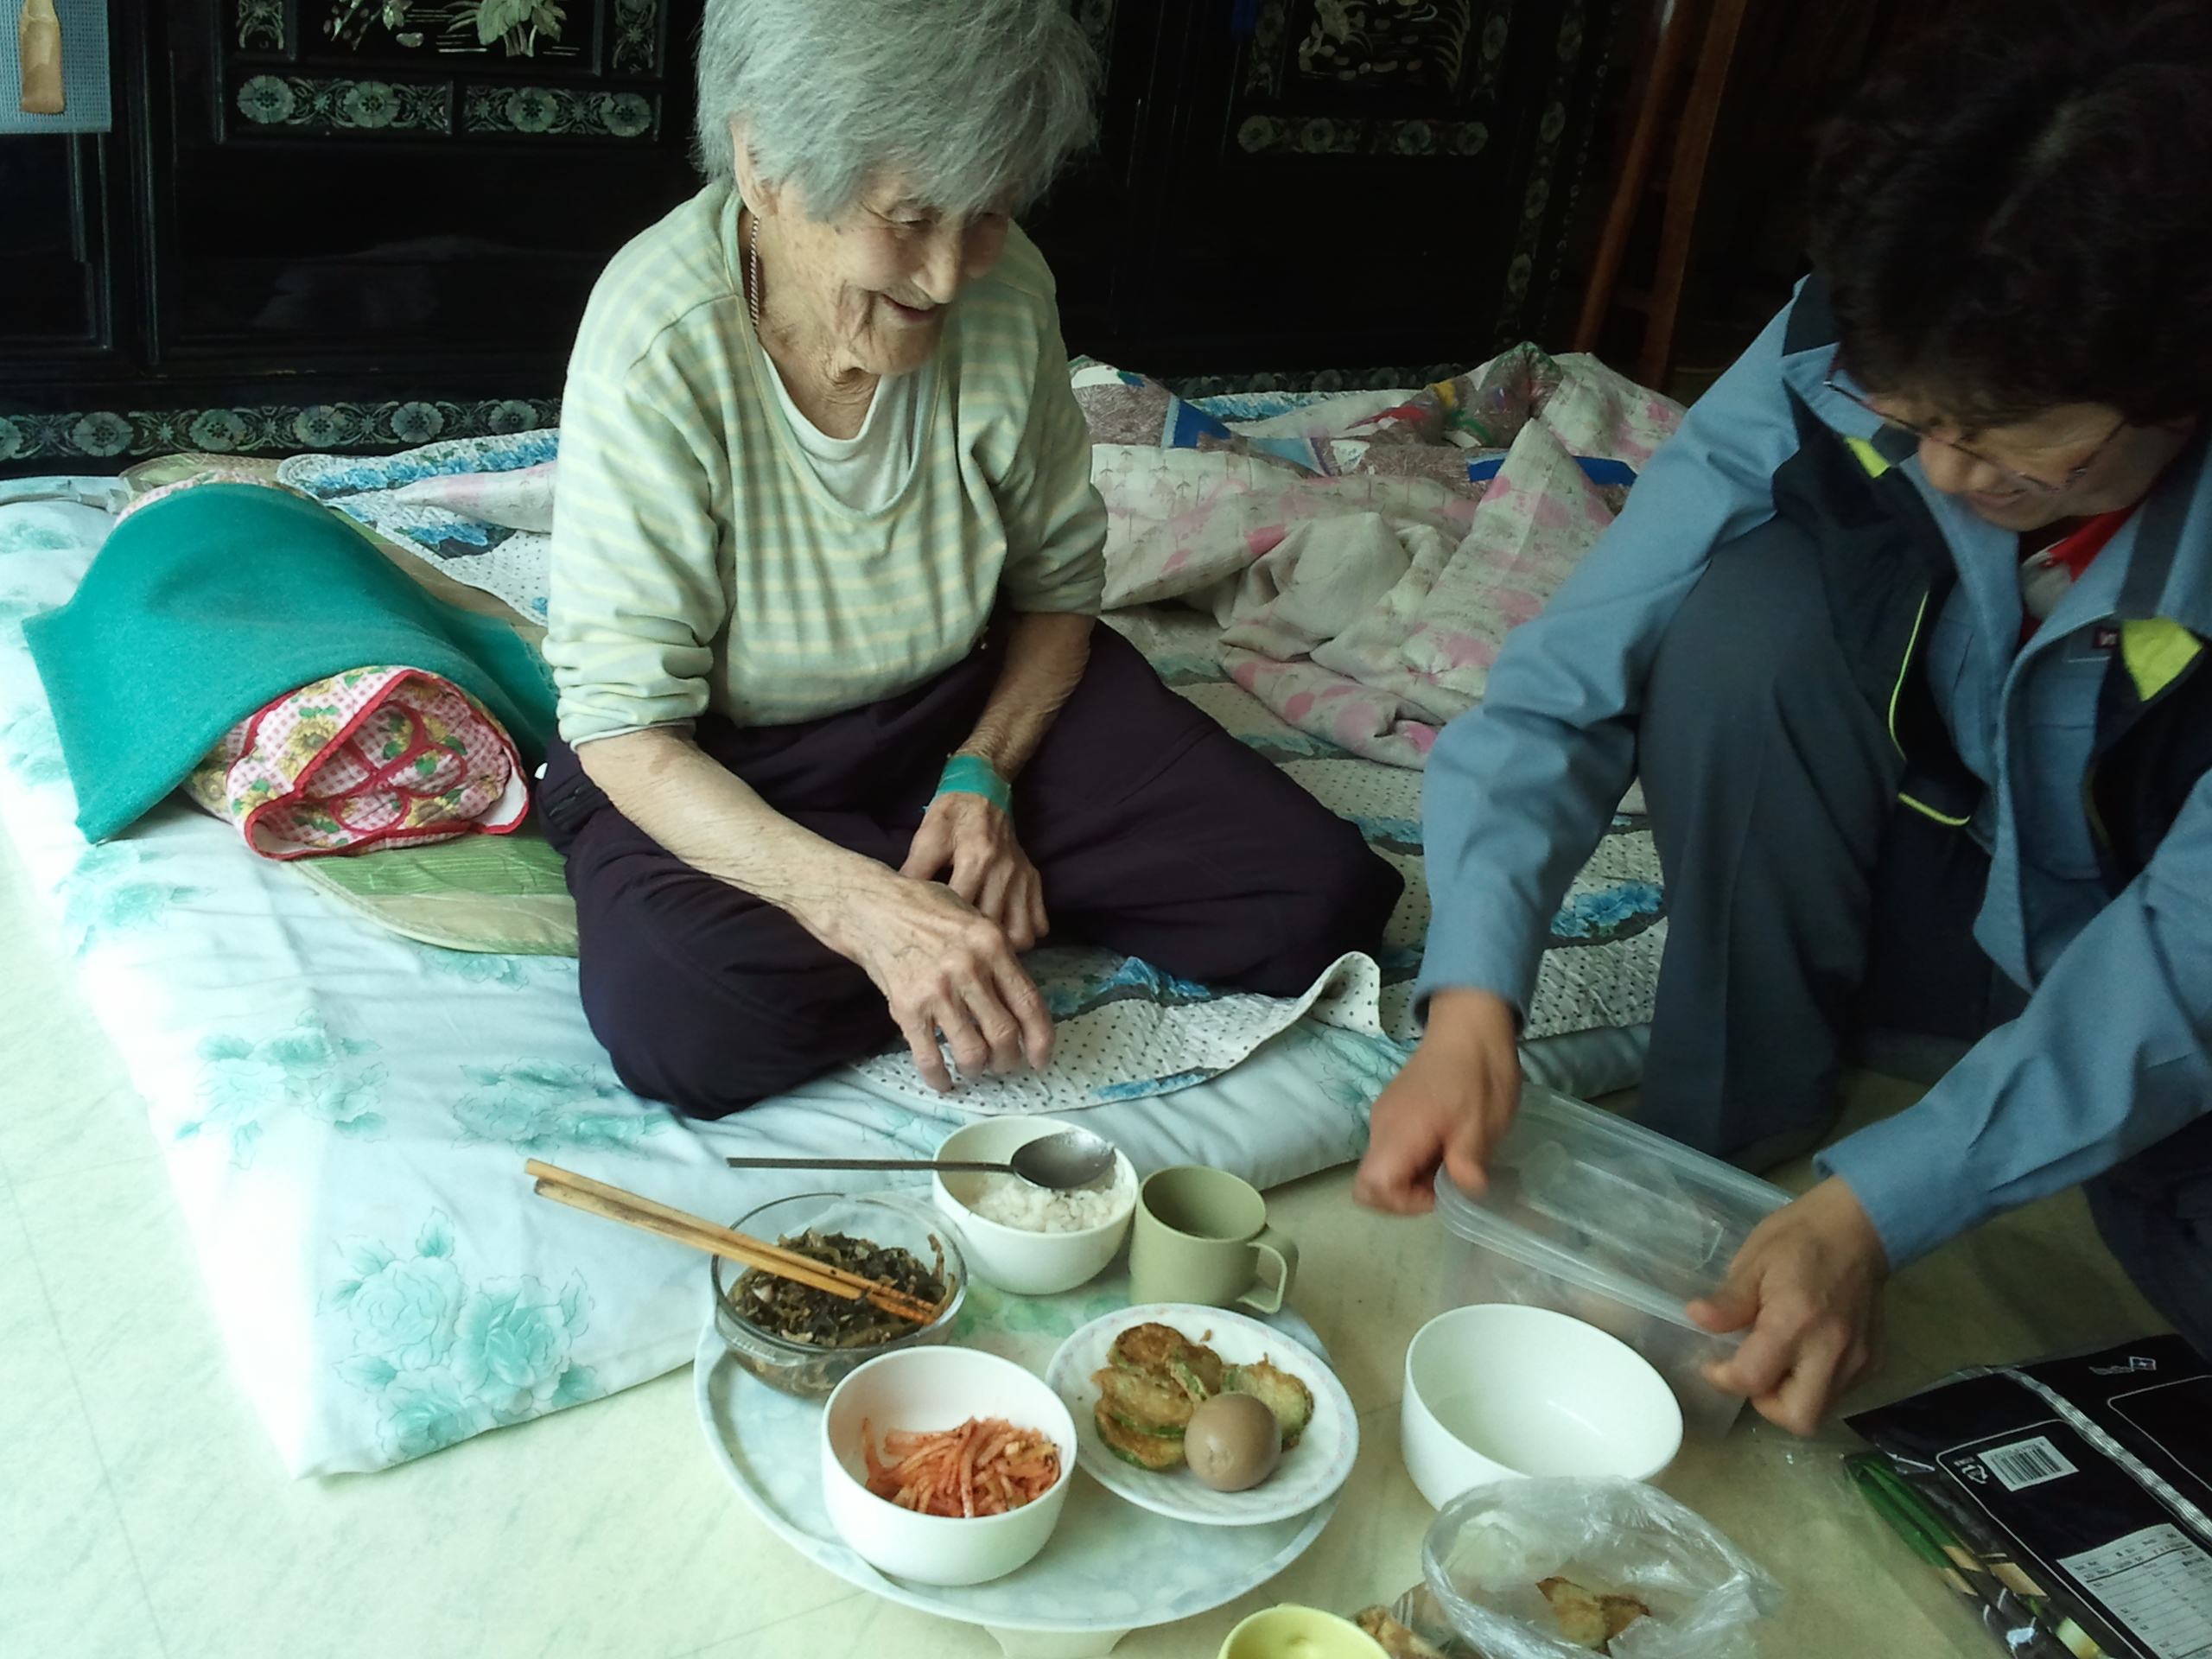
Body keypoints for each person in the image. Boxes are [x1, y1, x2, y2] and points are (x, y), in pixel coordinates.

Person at [1356, 0, 2212, 1433]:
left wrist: (1884, 1205)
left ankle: (1892, 1170)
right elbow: (1581, 661)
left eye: (2015, 451)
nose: (1951, 476)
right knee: (1746, 616)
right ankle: (1735, 1136)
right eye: (1914, 422)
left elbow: (2185, 958)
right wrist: (1473, 998)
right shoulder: (1859, 330)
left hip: (2138, 913)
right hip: (1931, 868)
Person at [537, 0, 1402, 1117]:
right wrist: (859, 908)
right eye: (909, 219)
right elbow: (628, 732)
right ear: (763, 166)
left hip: (965, 703)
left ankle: (954, 889)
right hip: (722, 753)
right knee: (694, 1023)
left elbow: (1057, 594)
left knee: (1316, 902)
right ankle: (928, 906)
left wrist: (984, 774)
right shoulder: (658, 341)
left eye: (987, 213)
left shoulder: (1010, 288)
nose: (949, 276)